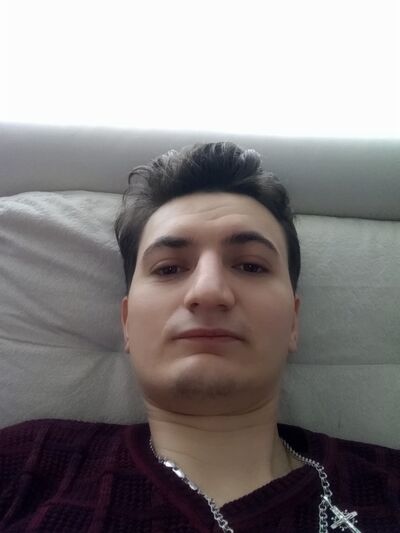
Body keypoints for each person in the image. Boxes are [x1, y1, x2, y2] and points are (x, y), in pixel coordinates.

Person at [0, 142, 398, 532]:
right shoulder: (24, 464)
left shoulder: (388, 486)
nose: (208, 291)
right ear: (127, 323)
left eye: (251, 266)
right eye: (169, 269)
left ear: (293, 322)